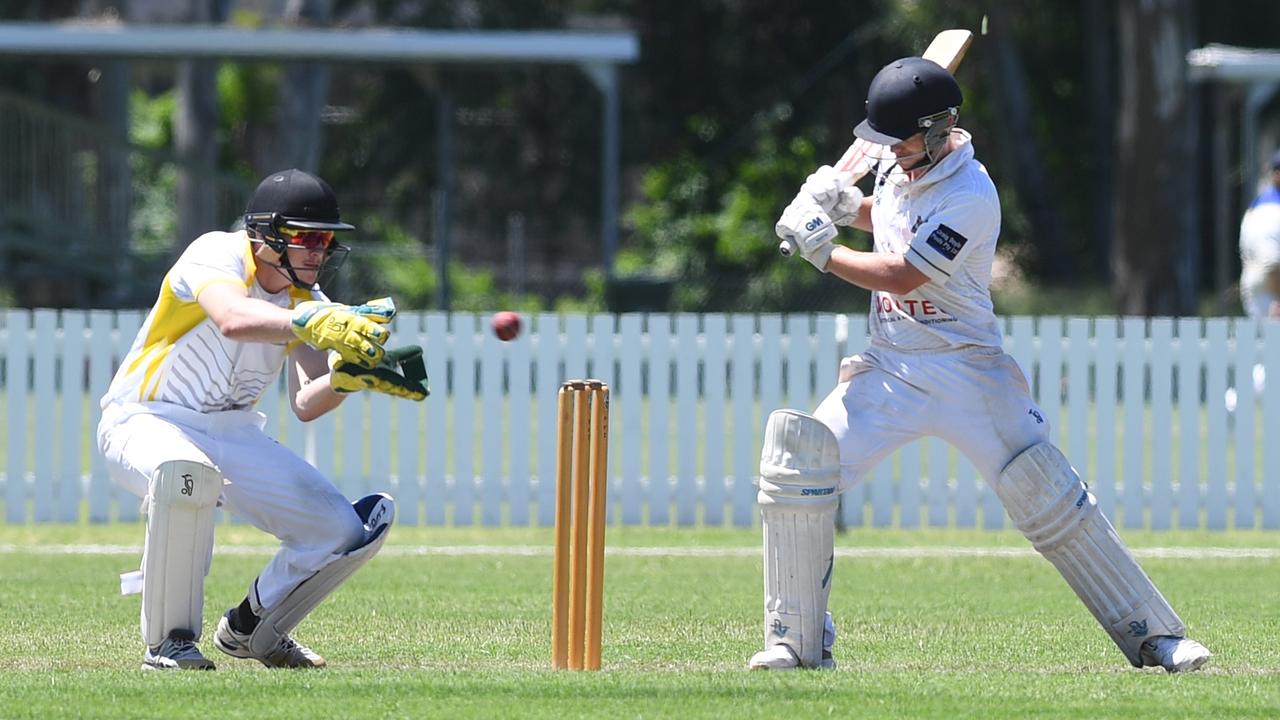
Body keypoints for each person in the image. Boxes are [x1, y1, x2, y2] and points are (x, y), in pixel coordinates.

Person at [751, 57, 1211, 673]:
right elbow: (889, 218)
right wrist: (845, 205)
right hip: (891, 365)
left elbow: (904, 269)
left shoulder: (972, 194)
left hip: (967, 368)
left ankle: (1155, 636)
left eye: (899, 140)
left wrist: (824, 251)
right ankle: (797, 642)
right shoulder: (901, 165)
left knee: (1048, 492)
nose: (889, 152)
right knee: (798, 466)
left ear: (939, 130)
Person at [98, 169, 427, 671]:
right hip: (145, 419)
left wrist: (350, 379)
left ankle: (252, 626)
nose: (318, 250)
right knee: (185, 473)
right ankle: (169, 643)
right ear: (268, 234)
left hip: (231, 431)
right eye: (306, 237)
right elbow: (232, 318)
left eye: (325, 239)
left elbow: (306, 402)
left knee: (340, 530)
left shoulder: (307, 301)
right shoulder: (216, 252)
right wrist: (311, 321)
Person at [1239, 149, 1280, 319]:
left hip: (1252, 285)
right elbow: (1271, 263)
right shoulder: (1273, 210)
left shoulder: (1255, 205)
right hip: (1272, 288)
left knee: (1259, 342)